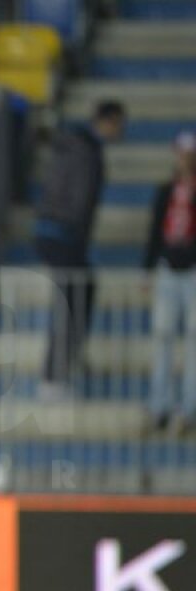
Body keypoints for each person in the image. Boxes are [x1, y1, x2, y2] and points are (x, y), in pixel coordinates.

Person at [34, 100, 126, 398]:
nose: (121, 131)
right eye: (119, 124)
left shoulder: (73, 144)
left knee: (83, 289)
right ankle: (53, 377)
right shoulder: (87, 151)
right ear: (108, 120)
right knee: (70, 301)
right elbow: (80, 200)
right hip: (64, 235)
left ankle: (67, 360)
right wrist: (75, 234)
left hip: (53, 232)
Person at [144, 130, 196, 434]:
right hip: (168, 269)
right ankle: (159, 404)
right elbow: (155, 230)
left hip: (193, 270)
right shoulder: (166, 190)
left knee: (193, 339)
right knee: (162, 336)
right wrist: (147, 268)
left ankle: (188, 408)